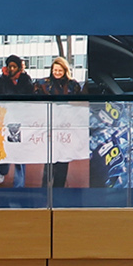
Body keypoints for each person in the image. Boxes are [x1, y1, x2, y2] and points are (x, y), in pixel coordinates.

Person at [35, 56, 81, 188]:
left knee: (63, 159)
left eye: (60, 71)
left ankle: (59, 189)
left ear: (65, 70)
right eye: (55, 70)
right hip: (49, 125)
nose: (57, 73)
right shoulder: (43, 83)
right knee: (49, 160)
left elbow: (78, 105)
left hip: (66, 127)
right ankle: (45, 188)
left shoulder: (73, 85)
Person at [0, 54, 34, 186]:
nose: (12, 69)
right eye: (10, 66)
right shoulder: (0, 81)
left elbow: (30, 98)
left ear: (19, 67)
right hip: (5, 120)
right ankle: (2, 170)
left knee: (20, 152)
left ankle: (19, 184)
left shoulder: (26, 80)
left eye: (15, 66)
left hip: (21, 121)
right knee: (5, 149)